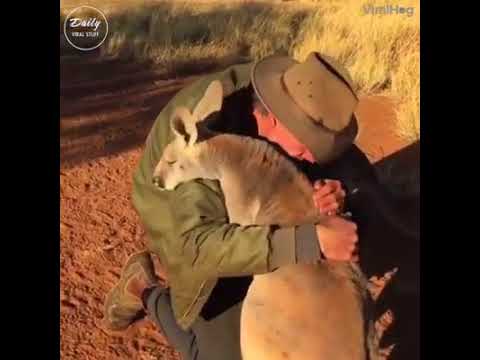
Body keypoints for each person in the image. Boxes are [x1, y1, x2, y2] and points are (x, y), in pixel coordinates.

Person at [103, 52, 361, 360]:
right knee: (225, 353)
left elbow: (332, 171)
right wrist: (309, 239)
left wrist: (328, 191)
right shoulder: (206, 145)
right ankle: (143, 288)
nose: (311, 157)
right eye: (307, 146)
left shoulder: (297, 91)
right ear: (276, 119)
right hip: (185, 216)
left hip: (251, 203)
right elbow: (196, 247)